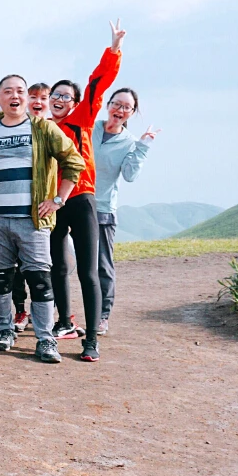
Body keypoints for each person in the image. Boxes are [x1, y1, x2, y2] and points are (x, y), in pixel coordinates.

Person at [0, 74, 85, 363]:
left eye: (20, 91)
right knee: (0, 278)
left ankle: (46, 340)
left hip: (32, 219)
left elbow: (74, 161)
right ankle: (3, 331)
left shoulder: (42, 128)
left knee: (39, 280)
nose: (15, 96)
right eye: (8, 91)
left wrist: (58, 200)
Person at [46, 21, 126, 362]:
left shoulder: (81, 118)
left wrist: (114, 49)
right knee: (56, 267)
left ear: (77, 102)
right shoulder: (41, 128)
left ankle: (91, 340)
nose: (59, 99)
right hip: (51, 203)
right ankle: (64, 321)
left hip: (81, 199)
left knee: (87, 271)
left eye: (66, 96)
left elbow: (98, 82)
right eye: (55, 95)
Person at [94, 87, 158, 335]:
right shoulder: (90, 128)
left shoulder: (130, 142)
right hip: (72, 203)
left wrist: (143, 146)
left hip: (102, 210)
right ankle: (56, 313)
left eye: (126, 107)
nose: (120, 110)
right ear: (107, 105)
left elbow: (130, 175)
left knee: (102, 266)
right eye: (116, 104)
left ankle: (102, 316)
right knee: (60, 261)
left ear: (132, 113)